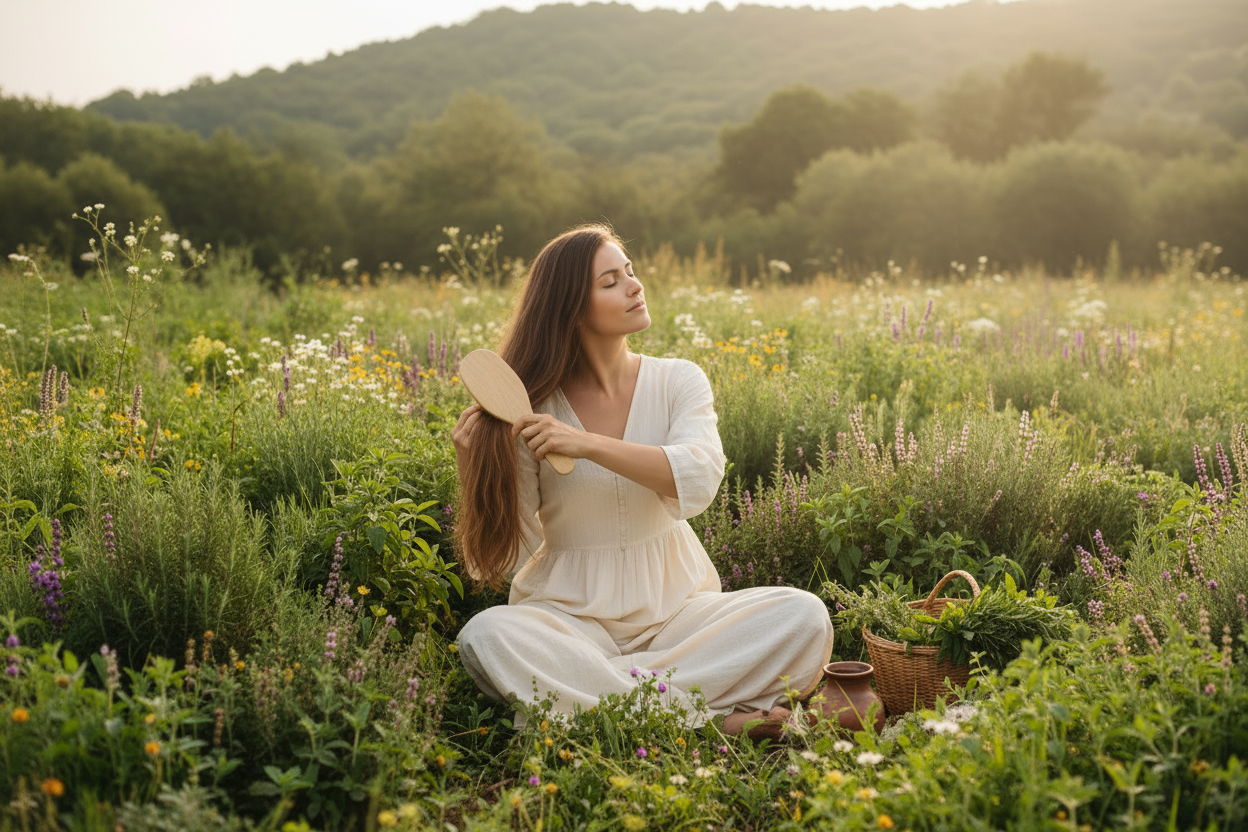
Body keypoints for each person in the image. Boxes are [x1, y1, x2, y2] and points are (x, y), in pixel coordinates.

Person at [451, 224, 834, 739]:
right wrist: (477, 469)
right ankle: (711, 720)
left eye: (629, 272)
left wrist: (586, 444)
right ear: (570, 307)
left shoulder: (679, 380)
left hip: (679, 618)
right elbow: (507, 557)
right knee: (487, 635)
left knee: (804, 616)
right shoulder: (529, 413)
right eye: (610, 281)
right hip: (572, 624)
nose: (634, 286)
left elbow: (697, 475)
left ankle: (603, 707)